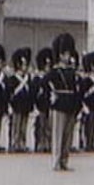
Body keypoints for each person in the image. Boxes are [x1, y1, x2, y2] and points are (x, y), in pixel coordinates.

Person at [45, 33, 80, 171]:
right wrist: (52, 95)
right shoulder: (54, 71)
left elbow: (76, 88)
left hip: (70, 103)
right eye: (66, 54)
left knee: (67, 135)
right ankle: (56, 161)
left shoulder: (72, 71)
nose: (68, 56)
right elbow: (44, 84)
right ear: (60, 55)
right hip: (59, 104)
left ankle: (65, 160)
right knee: (58, 135)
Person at [7, 47, 34, 153]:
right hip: (16, 106)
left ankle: (22, 143)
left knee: (23, 127)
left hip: (25, 105)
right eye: (23, 64)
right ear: (18, 65)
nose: (25, 67)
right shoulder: (13, 79)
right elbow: (10, 94)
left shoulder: (28, 78)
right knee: (15, 126)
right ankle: (14, 143)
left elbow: (30, 93)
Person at [32, 47, 53, 153]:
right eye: (46, 65)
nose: (48, 67)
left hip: (49, 105)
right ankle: (40, 143)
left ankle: (48, 143)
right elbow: (34, 93)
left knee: (48, 127)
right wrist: (34, 106)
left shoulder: (50, 78)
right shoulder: (37, 79)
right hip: (40, 106)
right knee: (40, 126)